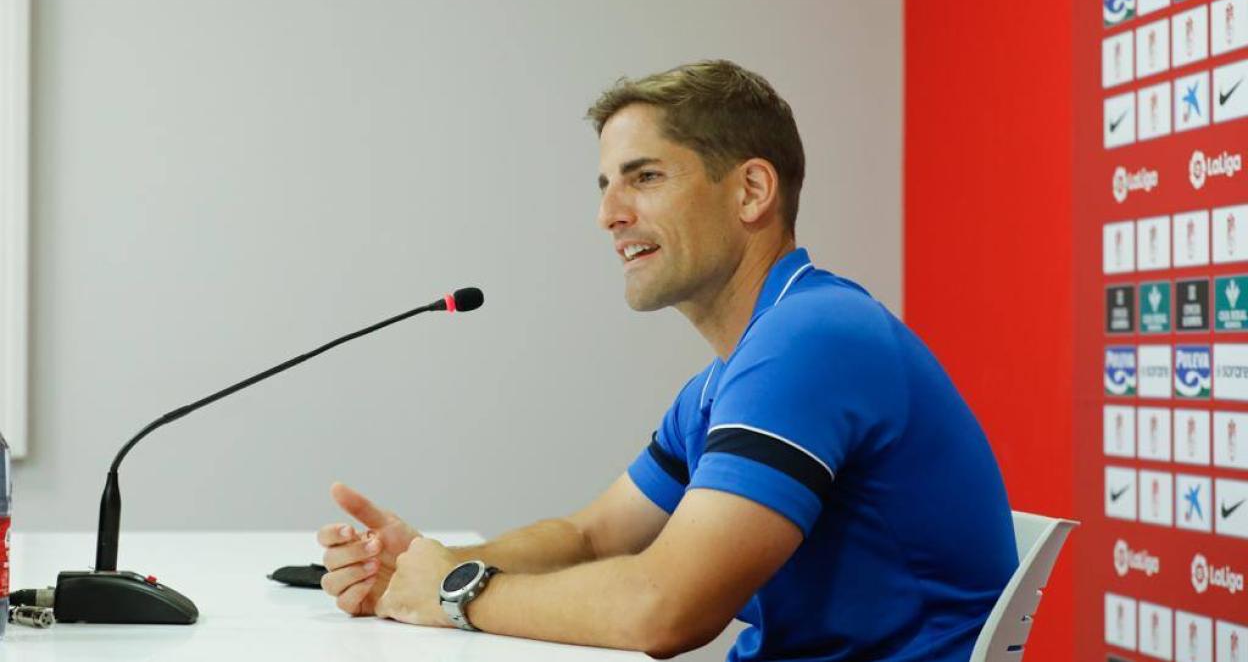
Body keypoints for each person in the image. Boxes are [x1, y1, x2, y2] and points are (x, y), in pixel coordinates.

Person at [317, 60, 1018, 661]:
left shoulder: (814, 340)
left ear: (750, 191)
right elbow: (590, 537)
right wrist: (426, 563)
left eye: (643, 177)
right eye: (604, 186)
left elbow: (665, 611)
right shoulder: (730, 376)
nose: (609, 214)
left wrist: (455, 594)